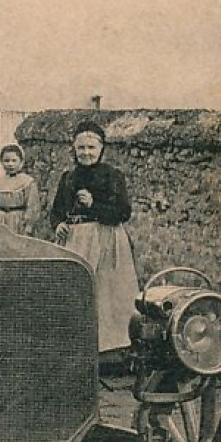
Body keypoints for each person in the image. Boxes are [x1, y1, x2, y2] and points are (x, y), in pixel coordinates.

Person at [49, 121, 139, 353]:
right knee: (77, 288)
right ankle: (78, 345)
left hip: (105, 238)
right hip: (75, 241)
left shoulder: (112, 176)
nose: (86, 153)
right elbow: (56, 210)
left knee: (108, 292)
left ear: (101, 148)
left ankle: (112, 347)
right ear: (74, 149)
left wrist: (93, 205)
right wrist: (58, 224)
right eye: (81, 148)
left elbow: (122, 212)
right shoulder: (68, 177)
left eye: (91, 147)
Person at [0, 143, 41, 237]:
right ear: (1, 162)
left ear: (21, 162)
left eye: (14, 160)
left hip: (19, 222)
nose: (10, 164)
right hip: (0, 221)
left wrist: (28, 227)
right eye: (6, 161)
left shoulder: (28, 182)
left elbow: (32, 207)